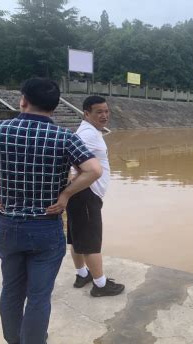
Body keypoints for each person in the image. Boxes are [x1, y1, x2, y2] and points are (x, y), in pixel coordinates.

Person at [0, 78, 102, 344]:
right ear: (55, 107)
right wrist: (66, 195)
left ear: (22, 100)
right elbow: (94, 170)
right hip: (46, 226)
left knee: (11, 290)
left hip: (8, 224)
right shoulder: (64, 137)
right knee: (38, 297)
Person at [66, 96, 124, 297]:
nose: (104, 115)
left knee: (77, 238)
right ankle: (100, 286)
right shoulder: (87, 135)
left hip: (81, 193)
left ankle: (82, 274)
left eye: (106, 111)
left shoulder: (90, 132)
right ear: (86, 113)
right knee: (91, 242)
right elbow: (70, 161)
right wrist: (72, 187)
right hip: (86, 194)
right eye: (99, 112)